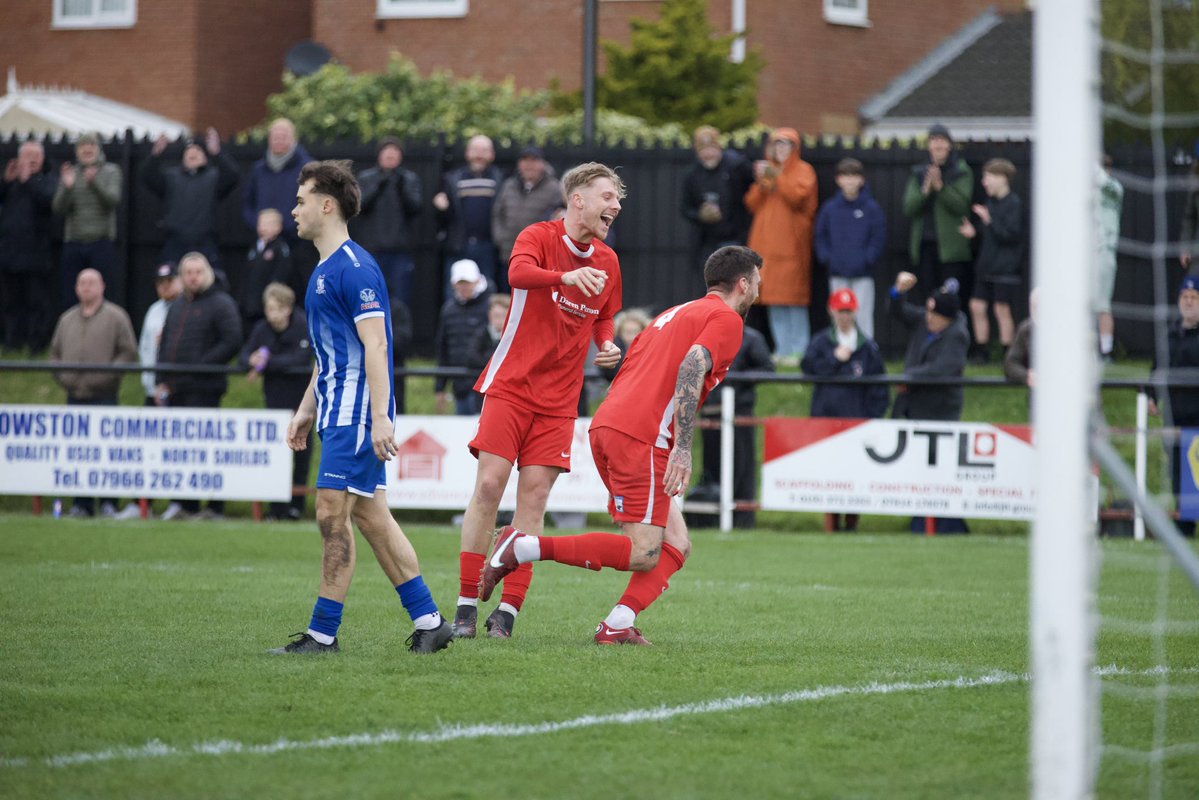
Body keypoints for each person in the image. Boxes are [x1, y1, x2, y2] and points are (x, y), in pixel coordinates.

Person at [478, 245, 762, 645]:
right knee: (644, 551)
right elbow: (694, 363)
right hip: (642, 437)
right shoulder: (725, 319)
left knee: (676, 543)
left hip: (610, 426)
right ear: (743, 284)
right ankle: (523, 546)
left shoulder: (671, 314)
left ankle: (617, 624)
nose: (758, 292)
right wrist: (682, 446)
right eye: (758, 284)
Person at [273, 159, 452, 654]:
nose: (295, 210)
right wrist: (307, 407)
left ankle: (322, 634)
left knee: (332, 514)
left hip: (356, 414)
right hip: (336, 411)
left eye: (302, 199)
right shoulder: (324, 270)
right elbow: (330, 350)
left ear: (326, 205)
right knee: (372, 517)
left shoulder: (355, 268)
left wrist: (379, 418)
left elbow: (376, 347)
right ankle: (431, 622)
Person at [452, 162, 625, 641]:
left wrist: (606, 344)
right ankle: (466, 606)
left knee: (534, 500)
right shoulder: (538, 236)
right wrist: (565, 280)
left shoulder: (609, 260)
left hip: (560, 399)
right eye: (608, 196)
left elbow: (605, 316)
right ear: (578, 200)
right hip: (511, 384)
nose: (615, 206)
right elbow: (518, 273)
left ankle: (506, 614)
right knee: (489, 487)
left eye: (617, 199)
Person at [155, 252, 242, 521]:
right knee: (179, 450)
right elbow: (166, 343)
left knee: (206, 450)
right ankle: (184, 503)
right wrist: (161, 380)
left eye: (198, 272)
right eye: (188, 272)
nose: (193, 277)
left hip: (204, 388)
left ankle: (214, 506)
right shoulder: (177, 305)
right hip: (176, 388)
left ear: (207, 274)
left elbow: (232, 340)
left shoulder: (221, 303)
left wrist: (201, 365)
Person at [48, 268, 137, 518]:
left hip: (105, 395)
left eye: (91, 282)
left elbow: (128, 352)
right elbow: (54, 353)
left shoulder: (116, 317)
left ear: (102, 286)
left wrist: (107, 376)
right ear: (76, 288)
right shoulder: (67, 319)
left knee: (106, 451)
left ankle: (109, 502)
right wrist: (64, 377)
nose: (86, 287)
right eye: (82, 283)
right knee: (78, 452)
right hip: (74, 395)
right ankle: (81, 503)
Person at [889, 271, 971, 534]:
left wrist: (908, 377)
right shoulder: (926, 321)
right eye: (928, 313)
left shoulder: (957, 335)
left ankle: (948, 525)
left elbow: (943, 369)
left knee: (940, 473)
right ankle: (921, 521)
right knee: (918, 470)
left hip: (940, 412)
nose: (929, 319)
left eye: (935, 316)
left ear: (948, 318)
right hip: (915, 409)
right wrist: (898, 292)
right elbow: (898, 311)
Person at [801, 287, 889, 532]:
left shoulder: (868, 347)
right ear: (832, 311)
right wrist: (834, 359)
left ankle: (852, 522)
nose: (845, 316)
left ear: (856, 312)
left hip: (856, 423)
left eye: (849, 311)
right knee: (829, 474)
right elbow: (808, 368)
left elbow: (880, 388)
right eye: (841, 311)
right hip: (826, 421)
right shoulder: (821, 342)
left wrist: (872, 418)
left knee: (854, 475)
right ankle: (831, 522)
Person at [238, 282, 313, 521]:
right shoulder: (262, 329)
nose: (273, 315)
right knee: (277, 456)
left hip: (302, 404)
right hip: (274, 404)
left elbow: (301, 360)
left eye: (277, 309)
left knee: (302, 453)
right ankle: (276, 507)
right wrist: (252, 359)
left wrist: (267, 362)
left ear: (288, 308)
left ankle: (295, 507)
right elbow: (244, 356)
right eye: (269, 309)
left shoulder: (302, 325)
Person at [744, 127, 818, 364]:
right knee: (774, 298)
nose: (780, 149)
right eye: (777, 145)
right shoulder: (770, 170)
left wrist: (776, 177)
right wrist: (761, 181)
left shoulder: (803, 171)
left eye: (785, 145)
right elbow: (752, 203)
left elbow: (797, 198)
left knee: (793, 299)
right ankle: (784, 349)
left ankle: (800, 349)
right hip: (766, 248)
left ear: (795, 149)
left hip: (791, 246)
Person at [694, 322, 774, 529]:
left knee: (742, 465)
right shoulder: (706, 336)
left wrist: (734, 383)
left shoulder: (751, 338)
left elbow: (767, 368)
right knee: (711, 465)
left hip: (738, 412)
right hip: (711, 410)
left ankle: (743, 519)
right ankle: (710, 517)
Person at [140, 128, 240, 270]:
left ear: (206, 156)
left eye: (198, 150)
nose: (192, 153)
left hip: (204, 241)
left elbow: (233, 176)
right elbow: (147, 176)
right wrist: (156, 154)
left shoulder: (214, 177)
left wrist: (217, 153)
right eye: (189, 150)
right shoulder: (171, 177)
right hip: (175, 242)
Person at [1148, 275, 1199, 538]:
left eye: (1193, 297)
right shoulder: (1169, 333)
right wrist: (1151, 396)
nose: (1188, 302)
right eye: (1184, 297)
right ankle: (1184, 522)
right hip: (1175, 415)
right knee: (1178, 468)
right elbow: (1156, 369)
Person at [814, 157, 887, 339]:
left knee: (862, 315)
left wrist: (867, 259)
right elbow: (820, 236)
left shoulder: (871, 208)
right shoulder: (830, 208)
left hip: (863, 274)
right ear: (838, 180)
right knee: (838, 313)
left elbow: (878, 238)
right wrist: (827, 258)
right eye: (845, 176)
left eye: (854, 176)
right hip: (837, 272)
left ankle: (865, 353)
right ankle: (839, 351)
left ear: (861, 180)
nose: (850, 181)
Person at [901, 124, 974, 303]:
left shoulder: (961, 171)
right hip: (925, 247)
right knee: (928, 299)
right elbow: (909, 208)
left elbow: (961, 206)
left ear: (949, 145)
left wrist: (941, 188)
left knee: (951, 299)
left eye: (941, 140)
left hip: (952, 250)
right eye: (933, 141)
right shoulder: (919, 173)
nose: (937, 145)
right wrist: (925, 191)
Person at [241, 119, 314, 293]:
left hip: (297, 244)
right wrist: (258, 224)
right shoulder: (258, 170)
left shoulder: (308, 168)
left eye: (284, 136)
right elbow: (247, 203)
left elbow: (313, 205)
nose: (279, 140)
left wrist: (286, 226)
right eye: (275, 136)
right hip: (264, 245)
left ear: (294, 139)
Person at [962, 158, 1024, 364]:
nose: (984, 182)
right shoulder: (991, 203)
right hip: (986, 265)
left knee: (1001, 309)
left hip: (1006, 268)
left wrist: (989, 221)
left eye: (988, 177)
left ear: (1002, 178)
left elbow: (1011, 235)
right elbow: (989, 233)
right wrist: (975, 232)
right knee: (976, 306)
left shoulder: (1014, 203)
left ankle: (1009, 353)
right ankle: (981, 351)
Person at [51, 132, 122, 309]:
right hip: (74, 242)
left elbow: (112, 201)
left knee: (105, 293)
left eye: (91, 145)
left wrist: (94, 183)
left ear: (99, 149)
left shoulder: (111, 171)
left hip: (101, 241)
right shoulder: (71, 173)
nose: (87, 149)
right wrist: (67, 188)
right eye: (83, 145)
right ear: (77, 151)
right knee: (71, 294)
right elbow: (58, 209)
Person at [680, 125, 754, 293]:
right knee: (711, 288)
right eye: (703, 150)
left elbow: (755, 189)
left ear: (719, 147)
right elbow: (685, 208)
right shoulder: (692, 174)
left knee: (737, 288)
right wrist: (700, 215)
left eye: (712, 148)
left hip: (736, 239)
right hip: (707, 243)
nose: (708, 154)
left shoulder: (736, 166)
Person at [351, 137, 423, 307]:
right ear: (379, 155)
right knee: (369, 298)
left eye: (395, 151)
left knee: (400, 299)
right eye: (387, 151)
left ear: (400, 156)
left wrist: (401, 189)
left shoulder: (409, 179)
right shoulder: (366, 178)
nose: (390, 155)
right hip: (372, 250)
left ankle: (397, 333)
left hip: (400, 250)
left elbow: (416, 208)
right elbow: (358, 207)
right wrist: (378, 187)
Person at [0, 139, 57, 353]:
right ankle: (12, 341)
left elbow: (48, 201)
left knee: (37, 303)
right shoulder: (11, 182)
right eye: (27, 155)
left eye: (36, 156)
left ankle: (37, 343)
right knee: (11, 302)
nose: (31, 160)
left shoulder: (47, 180)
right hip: (9, 253)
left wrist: (28, 181)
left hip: (36, 254)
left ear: (42, 159)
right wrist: (6, 180)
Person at [434, 134, 504, 294]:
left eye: (484, 150)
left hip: (489, 245)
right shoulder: (453, 178)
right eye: (475, 150)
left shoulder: (500, 178)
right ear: (467, 153)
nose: (479, 155)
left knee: (488, 291)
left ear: (492, 154)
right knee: (454, 291)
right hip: (459, 245)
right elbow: (441, 219)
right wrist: (441, 207)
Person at [491, 145, 566, 269]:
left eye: (534, 160)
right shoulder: (509, 185)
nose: (529, 164)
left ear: (543, 164)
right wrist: (500, 238)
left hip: (538, 256)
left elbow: (558, 218)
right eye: (525, 160)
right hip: (508, 254)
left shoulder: (554, 188)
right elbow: (497, 213)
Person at [435, 259, 491, 415]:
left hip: (486, 387)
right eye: (460, 283)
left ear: (478, 281)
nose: (464, 287)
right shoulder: (448, 310)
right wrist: (440, 387)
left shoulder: (491, 307)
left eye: (467, 282)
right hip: (460, 387)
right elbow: (443, 349)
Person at [238, 208, 296, 333]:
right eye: (261, 223)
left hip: (267, 302)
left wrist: (271, 297)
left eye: (268, 224)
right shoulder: (254, 248)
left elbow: (281, 275)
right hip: (250, 302)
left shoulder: (280, 249)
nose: (263, 227)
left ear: (278, 227)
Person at [1095, 154, 1125, 362]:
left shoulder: (1114, 188)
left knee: (1103, 303)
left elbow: (1105, 184)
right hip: (1084, 254)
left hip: (1104, 252)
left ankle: (1106, 351)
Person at [598, 307, 651, 383]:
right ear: (620, 333)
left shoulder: (650, 348)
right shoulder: (613, 348)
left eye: (636, 332)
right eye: (628, 332)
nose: (633, 336)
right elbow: (608, 373)